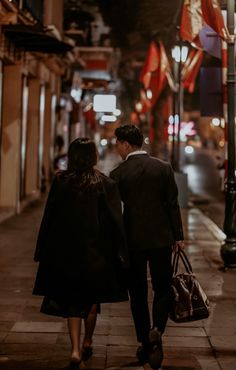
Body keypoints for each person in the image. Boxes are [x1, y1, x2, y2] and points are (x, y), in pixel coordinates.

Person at [33, 138, 129, 370]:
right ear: (94, 156)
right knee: (91, 301)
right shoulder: (105, 184)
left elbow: (49, 218)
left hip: (66, 253)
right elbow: (116, 222)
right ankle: (88, 340)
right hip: (97, 253)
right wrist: (122, 252)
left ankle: (75, 349)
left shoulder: (61, 182)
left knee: (71, 301)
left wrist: (41, 250)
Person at [110, 124, 184, 370]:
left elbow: (115, 213)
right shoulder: (162, 168)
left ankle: (144, 340)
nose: (117, 149)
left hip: (133, 241)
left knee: (138, 293)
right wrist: (178, 236)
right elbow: (172, 204)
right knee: (162, 287)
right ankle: (157, 330)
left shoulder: (118, 174)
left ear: (126, 144)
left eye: (117, 144)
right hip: (161, 238)